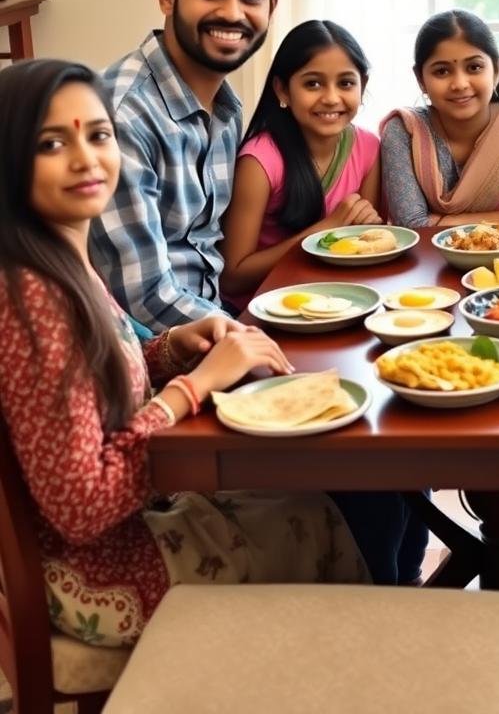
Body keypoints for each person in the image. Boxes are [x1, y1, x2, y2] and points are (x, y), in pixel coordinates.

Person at [0, 60, 368, 647]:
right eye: (51, 143)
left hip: (117, 534)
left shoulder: (57, 259)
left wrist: (170, 350)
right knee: (316, 520)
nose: (86, 157)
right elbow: (81, 508)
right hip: (95, 573)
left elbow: (89, 379)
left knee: (305, 501)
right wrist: (188, 390)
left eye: (98, 135)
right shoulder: (32, 299)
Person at [91, 0, 288, 331]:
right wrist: (254, 340)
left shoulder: (226, 107)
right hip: (144, 360)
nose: (233, 13)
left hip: (213, 326)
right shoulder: (120, 116)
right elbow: (142, 298)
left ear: (271, 7)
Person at [220, 19, 381, 306]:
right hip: (262, 311)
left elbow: (364, 242)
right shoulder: (260, 161)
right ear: (282, 90)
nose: (331, 98)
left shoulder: (369, 147)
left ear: (362, 85)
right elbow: (233, 276)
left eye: (345, 83)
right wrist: (324, 232)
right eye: (313, 83)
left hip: (338, 300)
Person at [380, 9, 499, 228]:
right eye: (442, 71)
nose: (460, 84)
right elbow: (411, 224)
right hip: (431, 260)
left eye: (474, 67)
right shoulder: (405, 131)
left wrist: (440, 221)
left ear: (496, 70)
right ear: (420, 79)